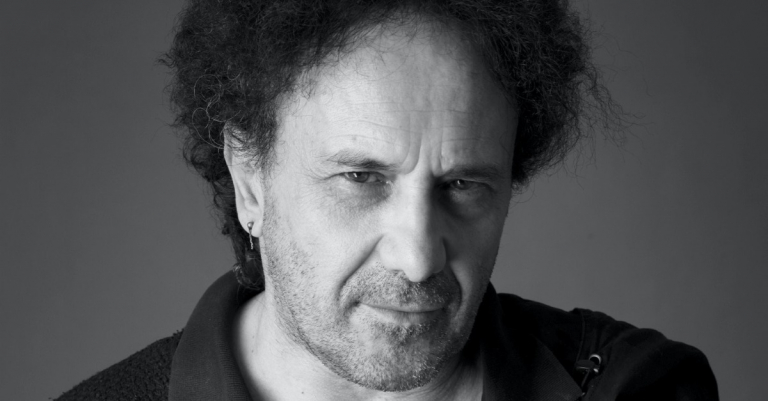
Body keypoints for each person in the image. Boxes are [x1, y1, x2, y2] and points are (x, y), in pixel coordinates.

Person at [57, 0, 718, 400]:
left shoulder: (635, 388)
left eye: (462, 185)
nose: (418, 257)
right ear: (250, 179)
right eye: (360, 178)